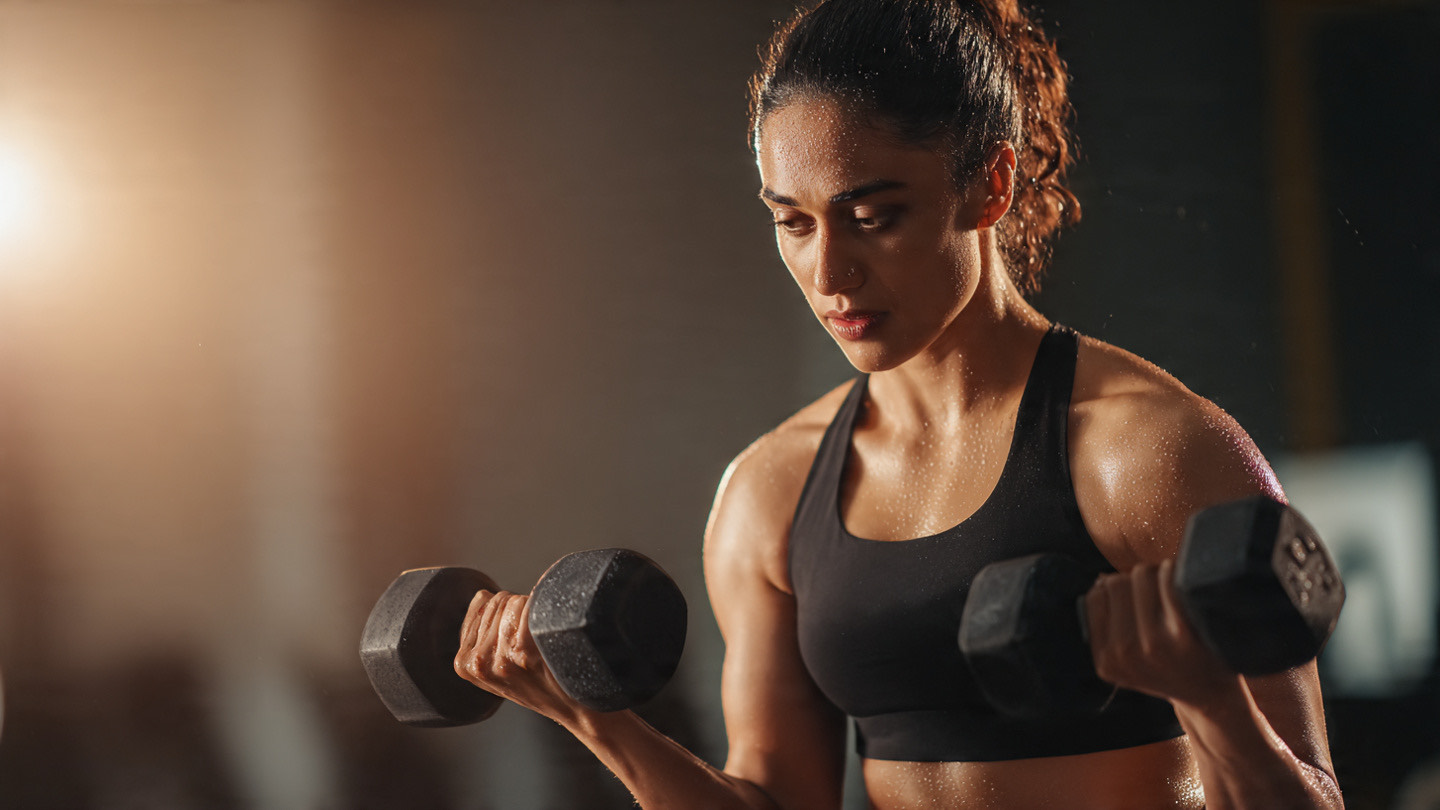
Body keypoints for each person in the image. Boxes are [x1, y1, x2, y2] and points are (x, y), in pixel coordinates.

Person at [453, 1, 1344, 807]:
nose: (830, 275)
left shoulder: (1150, 453)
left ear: (988, 187)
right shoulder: (770, 493)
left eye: (873, 215)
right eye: (793, 223)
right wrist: (594, 722)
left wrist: (1209, 700)